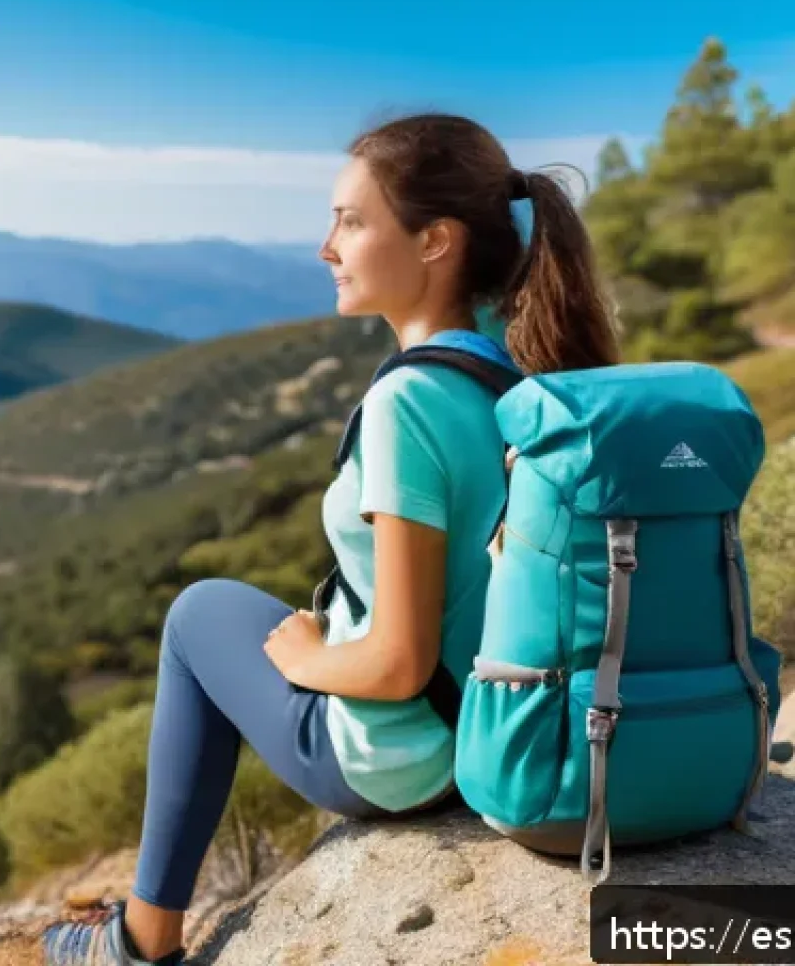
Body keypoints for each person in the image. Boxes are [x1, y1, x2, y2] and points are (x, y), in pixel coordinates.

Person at [42, 113, 621, 966]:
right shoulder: (521, 375)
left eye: (351, 220)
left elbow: (395, 664)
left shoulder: (408, 404)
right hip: (503, 728)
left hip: (404, 763)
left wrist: (307, 659)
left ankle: (141, 938)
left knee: (201, 613)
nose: (326, 246)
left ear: (434, 242)